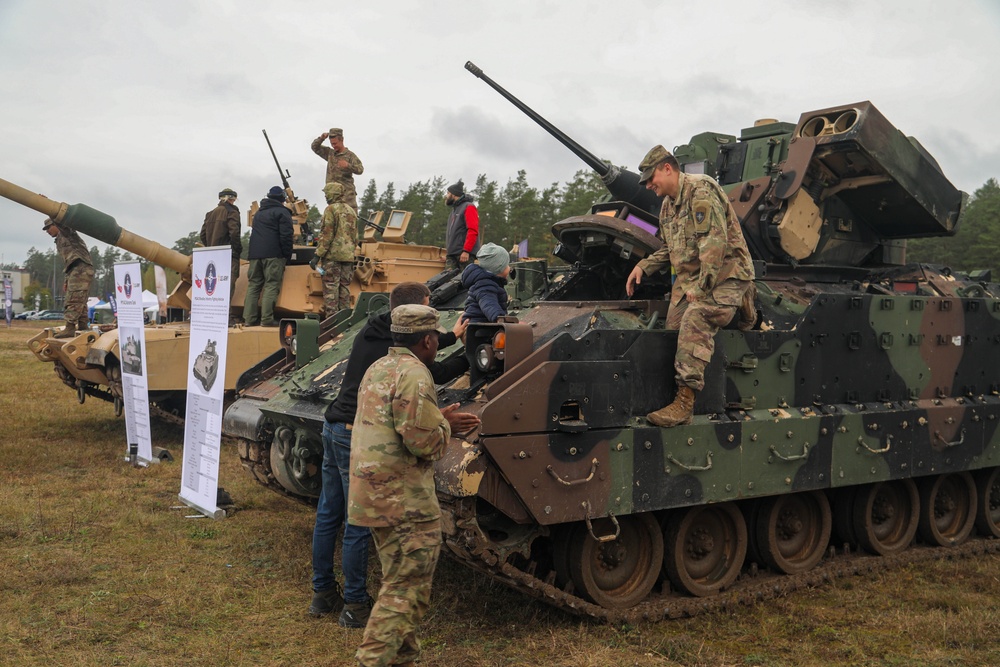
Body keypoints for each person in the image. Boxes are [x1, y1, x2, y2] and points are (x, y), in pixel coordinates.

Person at [309, 282, 469, 630]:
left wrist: (450, 338)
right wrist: (466, 351)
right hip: (357, 434)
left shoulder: (375, 331)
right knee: (360, 522)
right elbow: (431, 368)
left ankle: (322, 593)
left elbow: (420, 344)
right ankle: (354, 603)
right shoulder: (405, 360)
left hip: (335, 425)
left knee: (329, 511)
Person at [348, 304, 480, 667]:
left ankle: (403, 660)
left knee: (397, 581)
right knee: (408, 591)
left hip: (373, 496)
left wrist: (436, 418)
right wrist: (446, 426)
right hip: (404, 501)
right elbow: (424, 444)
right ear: (427, 339)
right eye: (437, 337)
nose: (437, 343)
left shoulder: (380, 367)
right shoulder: (415, 375)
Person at [625, 145, 754, 428]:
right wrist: (643, 266)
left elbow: (714, 245)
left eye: (651, 178)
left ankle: (684, 403)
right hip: (691, 279)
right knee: (672, 331)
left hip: (725, 273)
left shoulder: (701, 191)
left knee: (696, 318)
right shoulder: (668, 206)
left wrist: (702, 289)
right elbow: (669, 248)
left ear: (667, 168)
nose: (649, 186)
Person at [243, 186, 293, 327]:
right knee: (271, 285)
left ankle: (249, 319)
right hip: (273, 254)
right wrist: (287, 255)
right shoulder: (282, 212)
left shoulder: (259, 213)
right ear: (282, 198)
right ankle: (267, 319)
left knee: (253, 286)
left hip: (254, 254)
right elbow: (286, 236)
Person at [310, 182, 358, 317]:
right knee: (344, 289)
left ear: (333, 194)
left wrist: (317, 256)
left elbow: (327, 235)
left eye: (327, 193)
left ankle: (331, 322)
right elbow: (355, 237)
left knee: (331, 289)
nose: (325, 196)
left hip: (332, 257)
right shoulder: (351, 210)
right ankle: (345, 319)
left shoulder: (331, 209)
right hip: (348, 257)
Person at [43, 217, 95, 338]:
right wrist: (67, 279)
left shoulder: (68, 234)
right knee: (79, 299)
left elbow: (62, 224)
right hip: (74, 270)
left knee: (74, 299)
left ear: (55, 225)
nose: (47, 231)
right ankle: (82, 325)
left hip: (81, 268)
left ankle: (70, 327)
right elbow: (68, 262)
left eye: (49, 227)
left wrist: (49, 210)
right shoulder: (59, 241)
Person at [200, 188, 242, 313]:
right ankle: (225, 315)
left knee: (214, 286)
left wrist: (211, 247)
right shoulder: (232, 212)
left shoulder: (210, 213)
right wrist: (237, 249)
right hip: (228, 255)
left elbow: (202, 235)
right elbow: (234, 233)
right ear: (231, 199)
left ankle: (213, 314)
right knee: (228, 285)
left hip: (213, 256)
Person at [311, 127, 364, 211]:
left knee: (349, 220)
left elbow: (360, 169)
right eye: (332, 144)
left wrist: (348, 166)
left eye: (335, 143)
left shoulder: (350, 156)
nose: (333, 146)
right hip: (332, 198)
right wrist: (321, 139)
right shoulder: (330, 154)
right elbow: (315, 147)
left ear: (342, 140)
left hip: (346, 198)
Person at [460, 242, 510, 323]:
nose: (509, 268)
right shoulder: (485, 285)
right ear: (499, 268)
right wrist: (499, 317)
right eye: (507, 265)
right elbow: (488, 304)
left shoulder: (489, 282)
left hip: (482, 324)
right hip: (478, 327)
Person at [444, 179, 480, 270]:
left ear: (454, 194)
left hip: (463, 255)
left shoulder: (469, 207)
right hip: (452, 255)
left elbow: (472, 230)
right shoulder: (454, 211)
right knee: (448, 282)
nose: (446, 196)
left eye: (448, 193)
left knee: (464, 281)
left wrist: (466, 251)